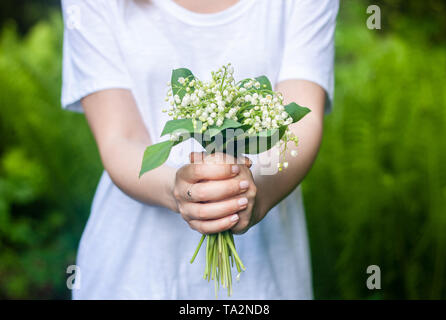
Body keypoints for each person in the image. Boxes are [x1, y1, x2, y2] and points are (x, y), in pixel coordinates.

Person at [61, 0, 339, 299]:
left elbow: (296, 121)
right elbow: (121, 137)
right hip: (133, 275)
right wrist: (179, 190)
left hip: (264, 275)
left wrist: (255, 193)